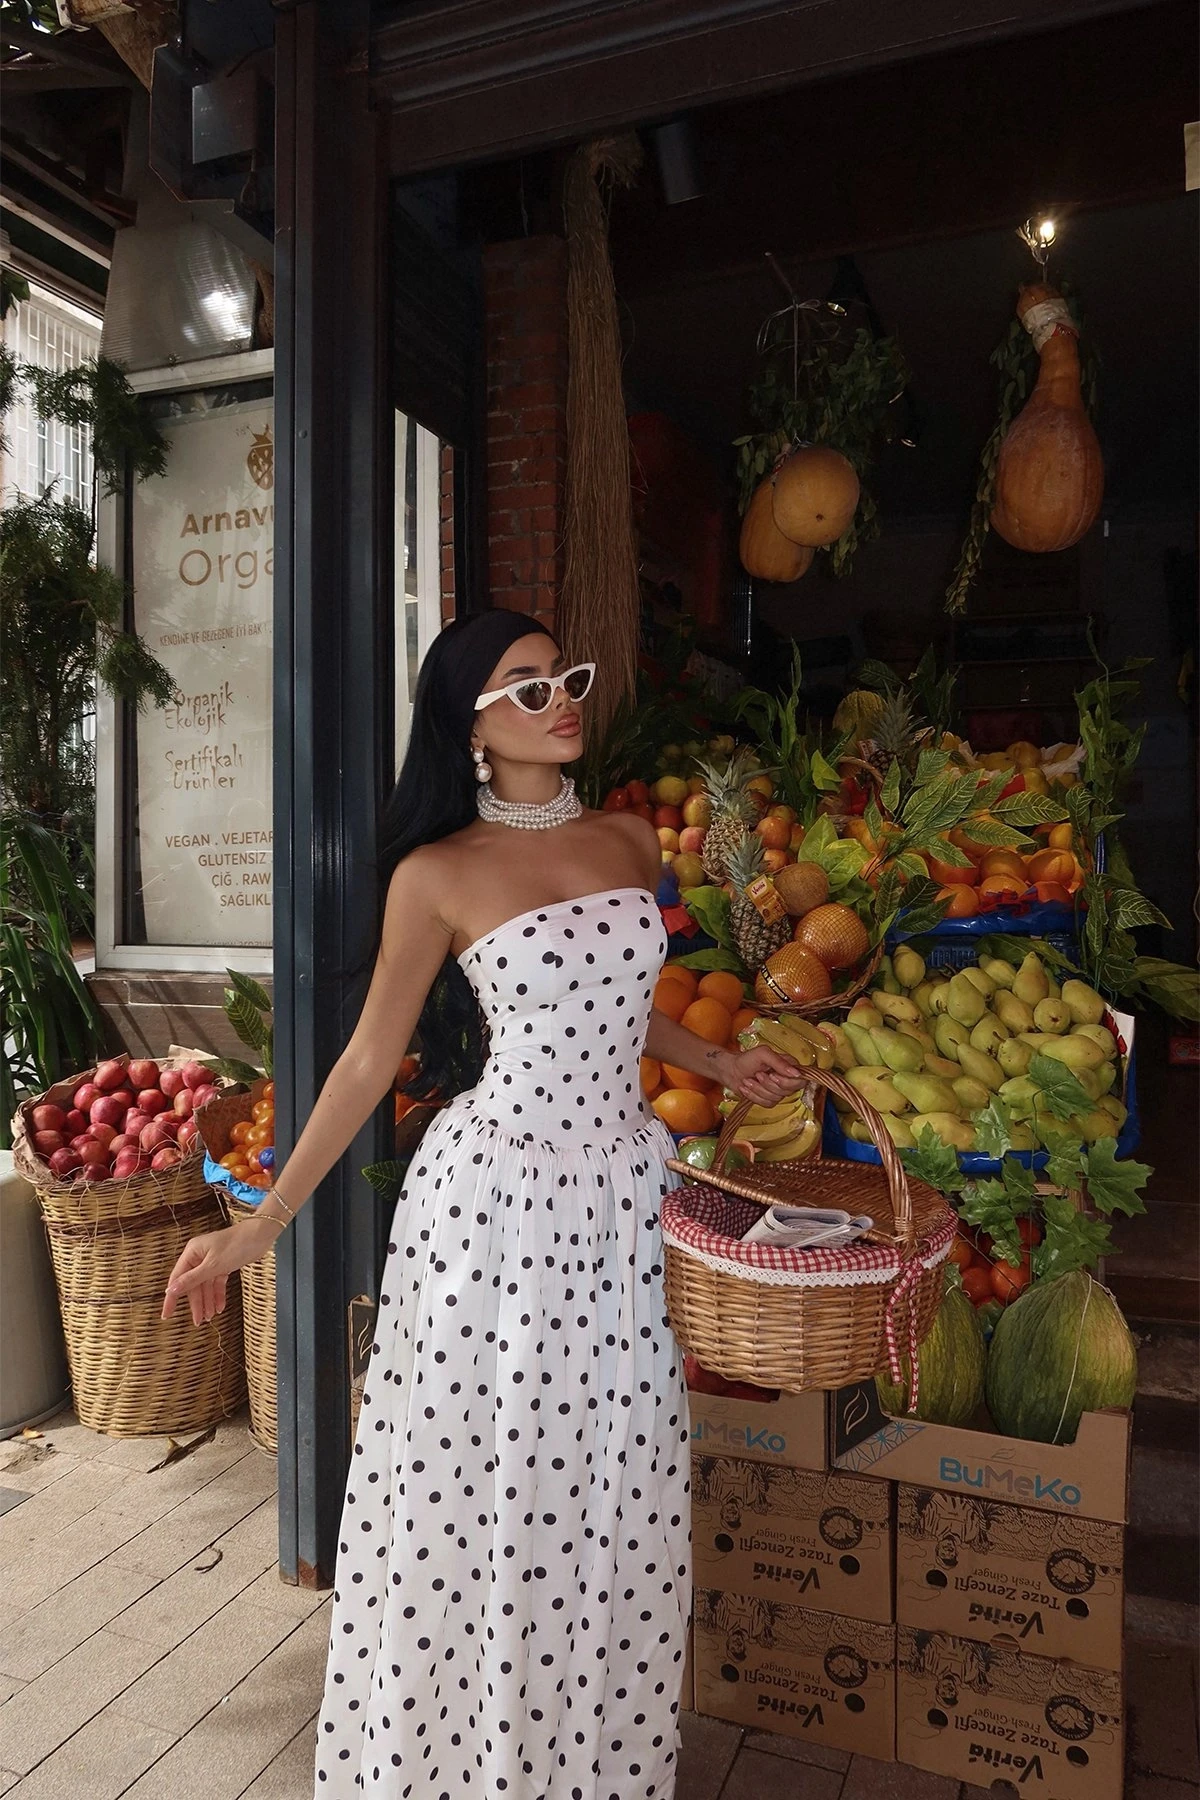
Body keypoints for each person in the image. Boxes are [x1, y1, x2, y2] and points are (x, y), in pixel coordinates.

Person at [163, 607, 804, 1799]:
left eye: (566, 676)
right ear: (467, 726)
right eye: (525, 686)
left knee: (613, 1480)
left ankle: (583, 1764)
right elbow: (367, 1061)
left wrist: (717, 1064)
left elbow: (616, 1000)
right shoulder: (436, 874)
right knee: (484, 1491)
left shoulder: (628, 842)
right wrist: (262, 1223)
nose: (561, 698)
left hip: (620, 1199)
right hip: (491, 1213)